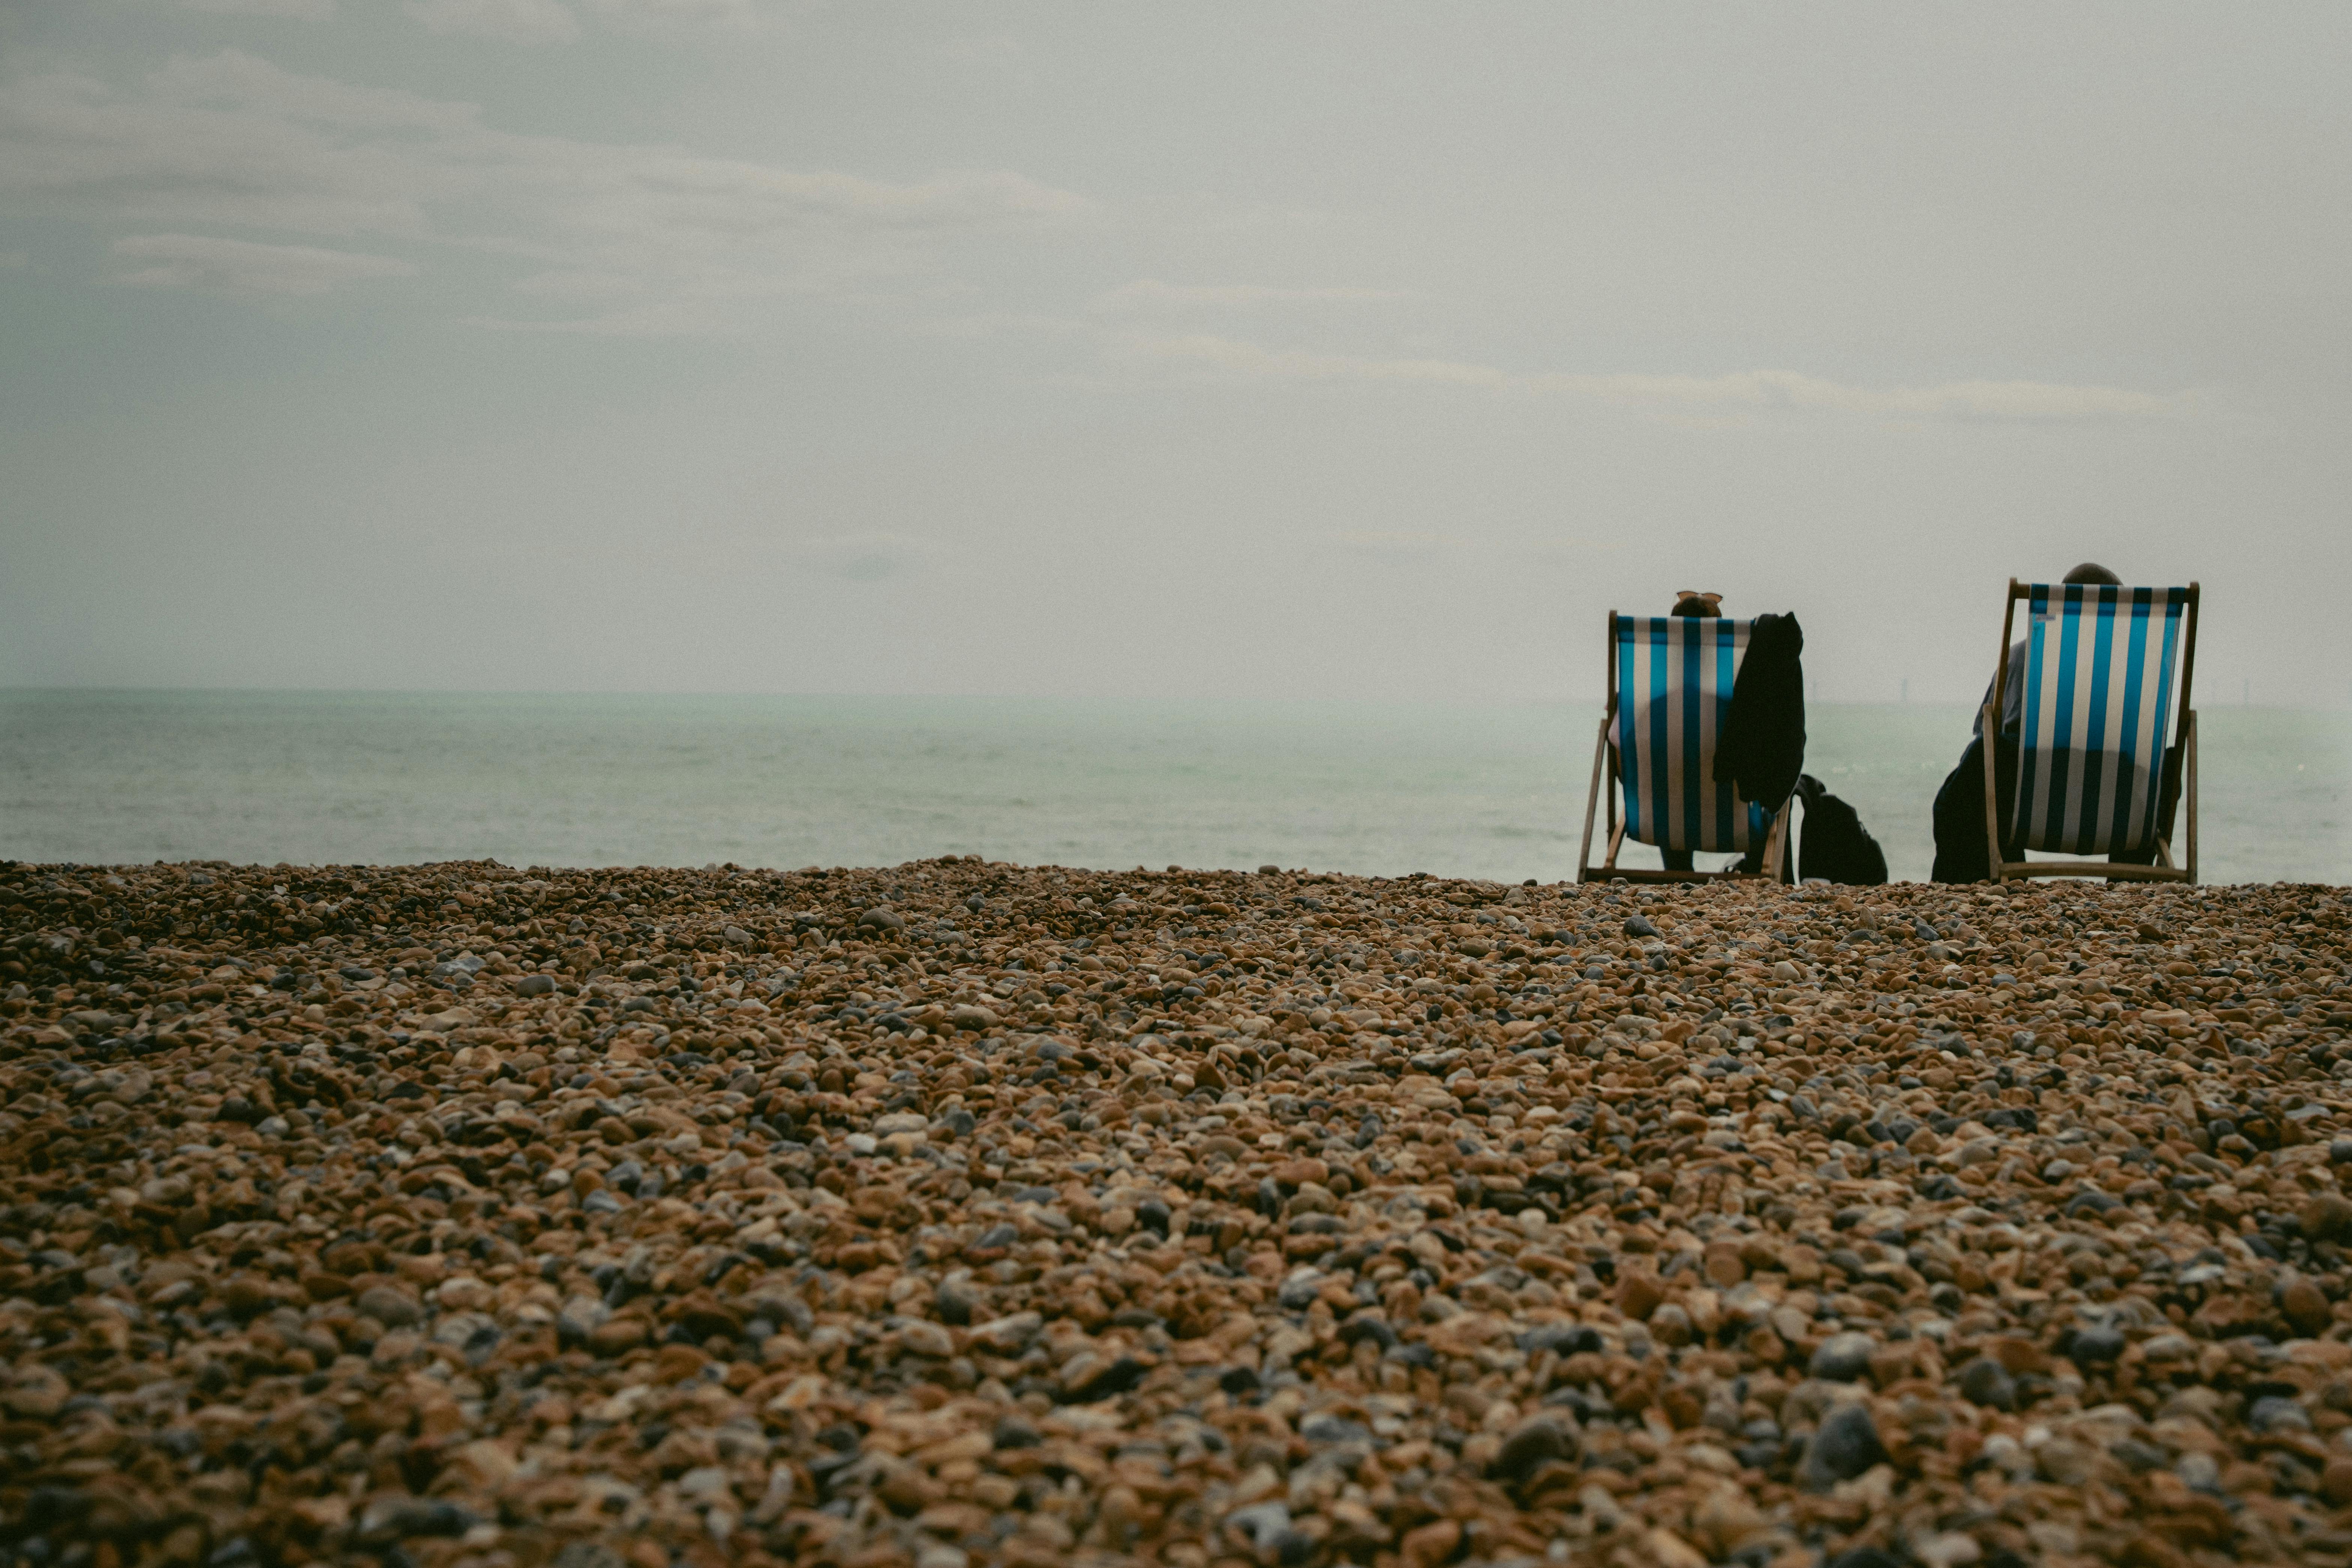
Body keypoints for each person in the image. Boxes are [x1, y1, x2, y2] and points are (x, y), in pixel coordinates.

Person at [1930, 562, 2157, 880]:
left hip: (2028, 809)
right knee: (2160, 764)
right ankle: (2130, 885)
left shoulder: (2020, 658)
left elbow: (1985, 735)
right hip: (2115, 815)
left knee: (1978, 767)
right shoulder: (2139, 672)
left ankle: (1993, 881)